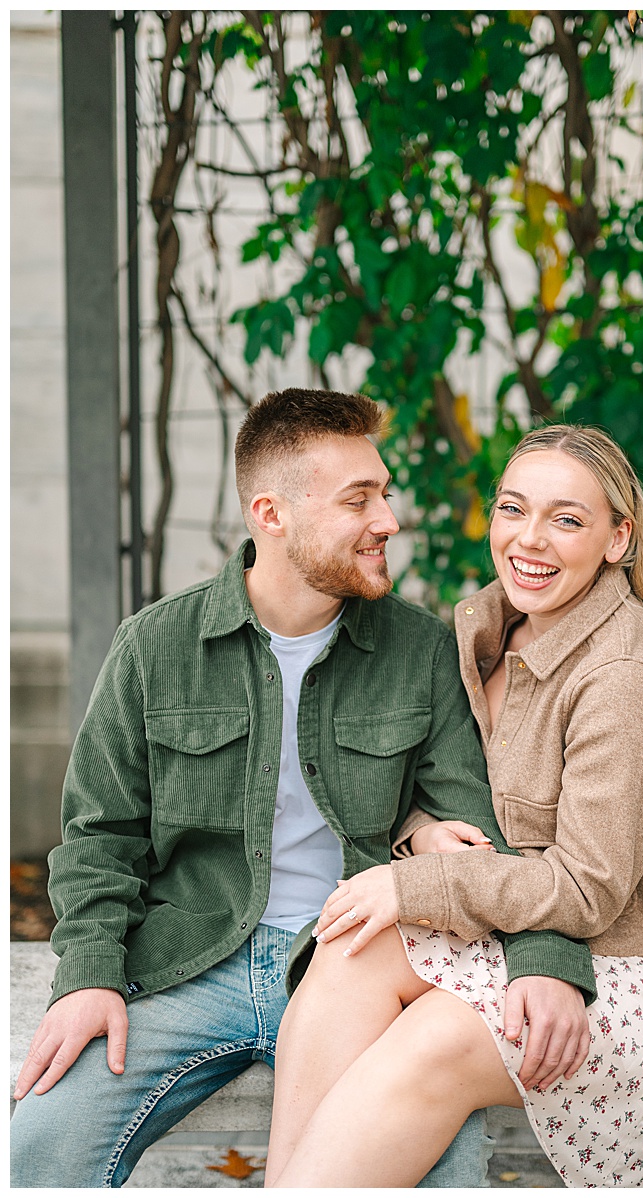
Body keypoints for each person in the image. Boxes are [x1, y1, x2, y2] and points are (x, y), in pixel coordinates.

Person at [10, 389, 592, 1188]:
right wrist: (88, 976)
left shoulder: (420, 650)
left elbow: (483, 828)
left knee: (441, 1167)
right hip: (185, 961)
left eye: (384, 494)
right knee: (42, 1145)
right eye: (360, 499)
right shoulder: (155, 647)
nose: (389, 519)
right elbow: (99, 838)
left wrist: (544, 962)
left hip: (351, 969)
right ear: (271, 514)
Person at [264, 424, 643, 1188]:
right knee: (348, 942)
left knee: (432, 1042)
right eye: (513, 509)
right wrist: (421, 834)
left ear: (619, 539)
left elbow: (585, 888)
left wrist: (408, 884)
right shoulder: (488, 632)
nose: (529, 540)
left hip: (631, 971)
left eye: (567, 519)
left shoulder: (624, 678)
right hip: (517, 934)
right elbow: (441, 796)